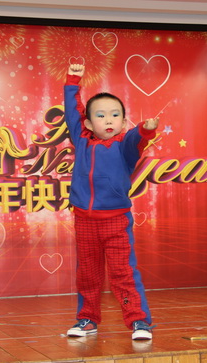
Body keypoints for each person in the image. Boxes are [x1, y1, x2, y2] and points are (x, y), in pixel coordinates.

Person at [64, 63, 156, 339]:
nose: (109, 120)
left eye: (115, 115)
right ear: (88, 123)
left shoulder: (124, 146)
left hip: (116, 222)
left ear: (123, 122)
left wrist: (145, 130)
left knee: (122, 273)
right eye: (101, 115)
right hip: (84, 221)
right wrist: (73, 81)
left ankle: (139, 321)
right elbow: (72, 112)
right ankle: (87, 319)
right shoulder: (81, 140)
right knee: (88, 274)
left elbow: (136, 138)